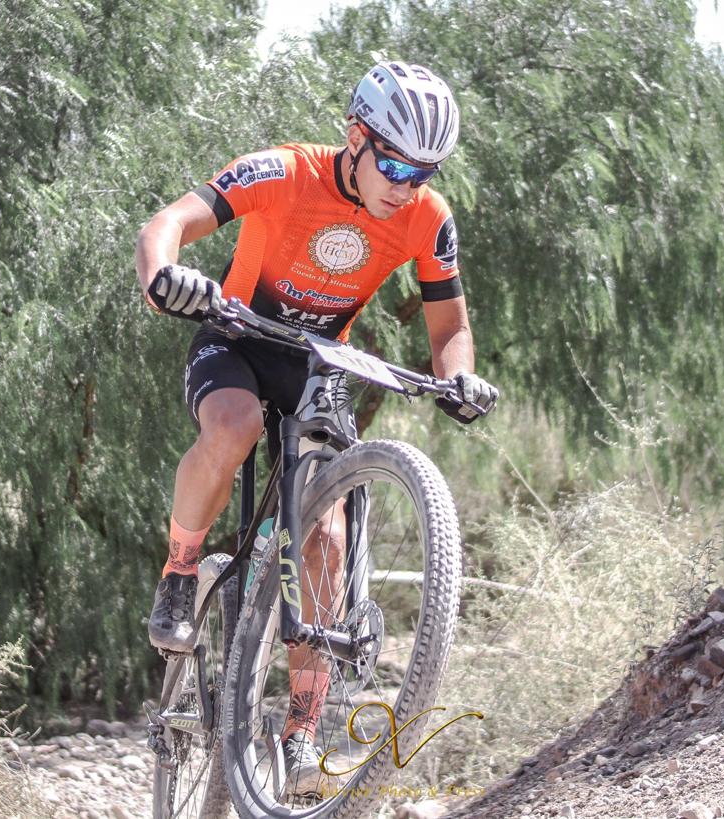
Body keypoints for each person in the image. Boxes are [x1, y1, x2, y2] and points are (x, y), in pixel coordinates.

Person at [134, 60, 498, 793]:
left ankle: (302, 731)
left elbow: (449, 324)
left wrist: (457, 374)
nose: (404, 183)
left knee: (326, 531)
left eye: (422, 170)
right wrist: (164, 275)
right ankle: (180, 567)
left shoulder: (428, 216)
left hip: (316, 363)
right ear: (356, 138)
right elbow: (167, 223)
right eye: (392, 161)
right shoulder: (282, 171)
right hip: (235, 339)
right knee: (232, 426)